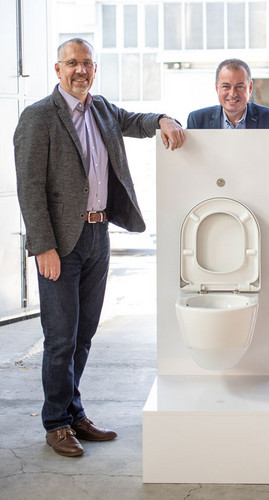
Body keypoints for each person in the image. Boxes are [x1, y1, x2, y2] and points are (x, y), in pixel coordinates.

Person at [14, 38, 185, 458]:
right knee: (60, 338)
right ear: (58, 69)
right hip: (60, 243)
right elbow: (30, 189)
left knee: (85, 333)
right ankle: (55, 423)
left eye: (87, 63)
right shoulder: (38, 117)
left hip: (97, 236)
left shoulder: (103, 109)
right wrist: (43, 248)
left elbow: (137, 120)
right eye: (72, 63)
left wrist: (164, 118)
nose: (81, 70)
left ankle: (74, 413)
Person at [187, 58, 269, 129]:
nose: (233, 94)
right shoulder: (197, 121)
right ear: (217, 88)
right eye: (226, 86)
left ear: (250, 88)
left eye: (239, 86)